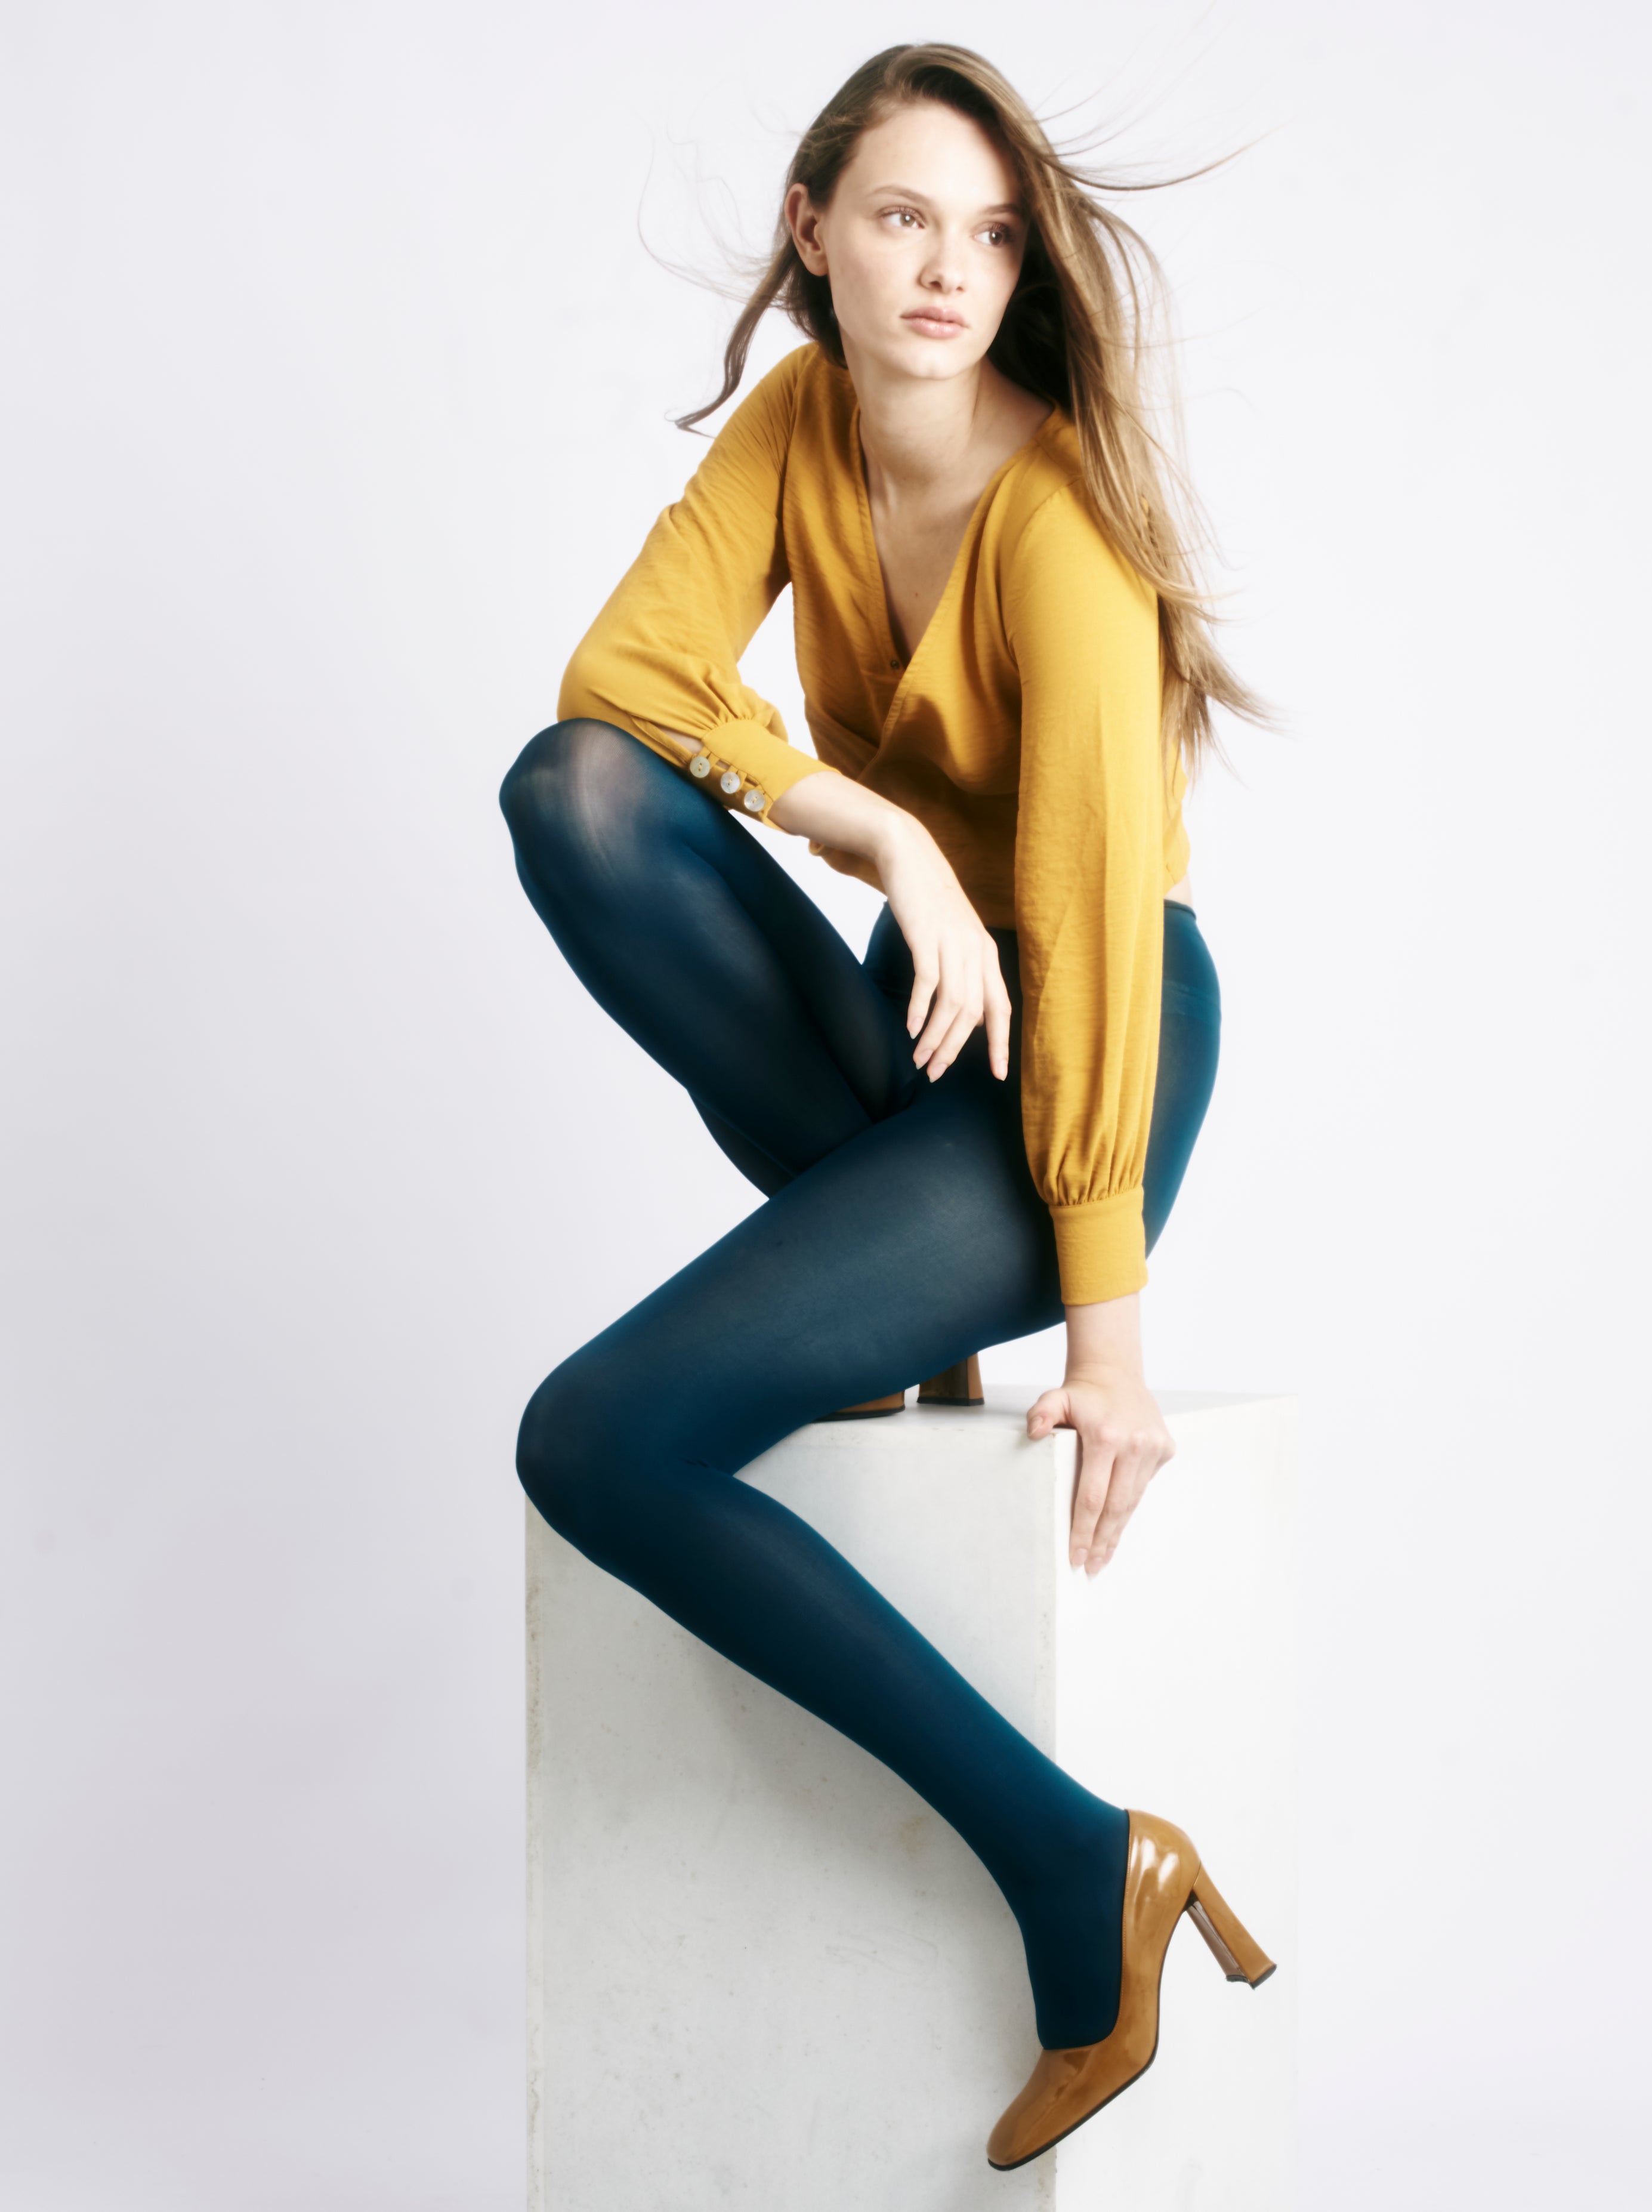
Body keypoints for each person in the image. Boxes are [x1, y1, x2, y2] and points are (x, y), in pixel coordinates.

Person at [498, 41, 1274, 2171]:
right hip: (924, 1008)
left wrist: (1108, 1337)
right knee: (574, 798)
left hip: (1091, 1062)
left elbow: (1095, 933)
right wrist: (882, 834)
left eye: (991, 235)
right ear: (813, 232)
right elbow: (618, 685)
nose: (947, 270)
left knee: (598, 1437)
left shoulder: (1065, 528)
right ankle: (889, 1296)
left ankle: (1080, 1863)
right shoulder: (798, 424)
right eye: (906, 218)